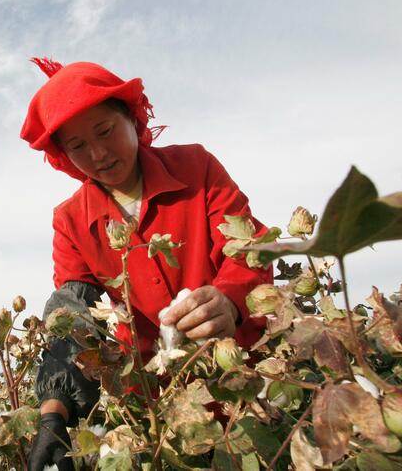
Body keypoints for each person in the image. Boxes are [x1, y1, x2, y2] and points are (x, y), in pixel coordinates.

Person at [20, 58, 271, 470]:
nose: (98, 154)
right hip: (152, 409)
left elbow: (248, 248)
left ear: (132, 119)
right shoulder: (69, 221)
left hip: (240, 383)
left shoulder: (197, 167)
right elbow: (74, 316)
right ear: (63, 155)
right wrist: (53, 416)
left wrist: (229, 300)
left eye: (104, 131)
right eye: (78, 146)